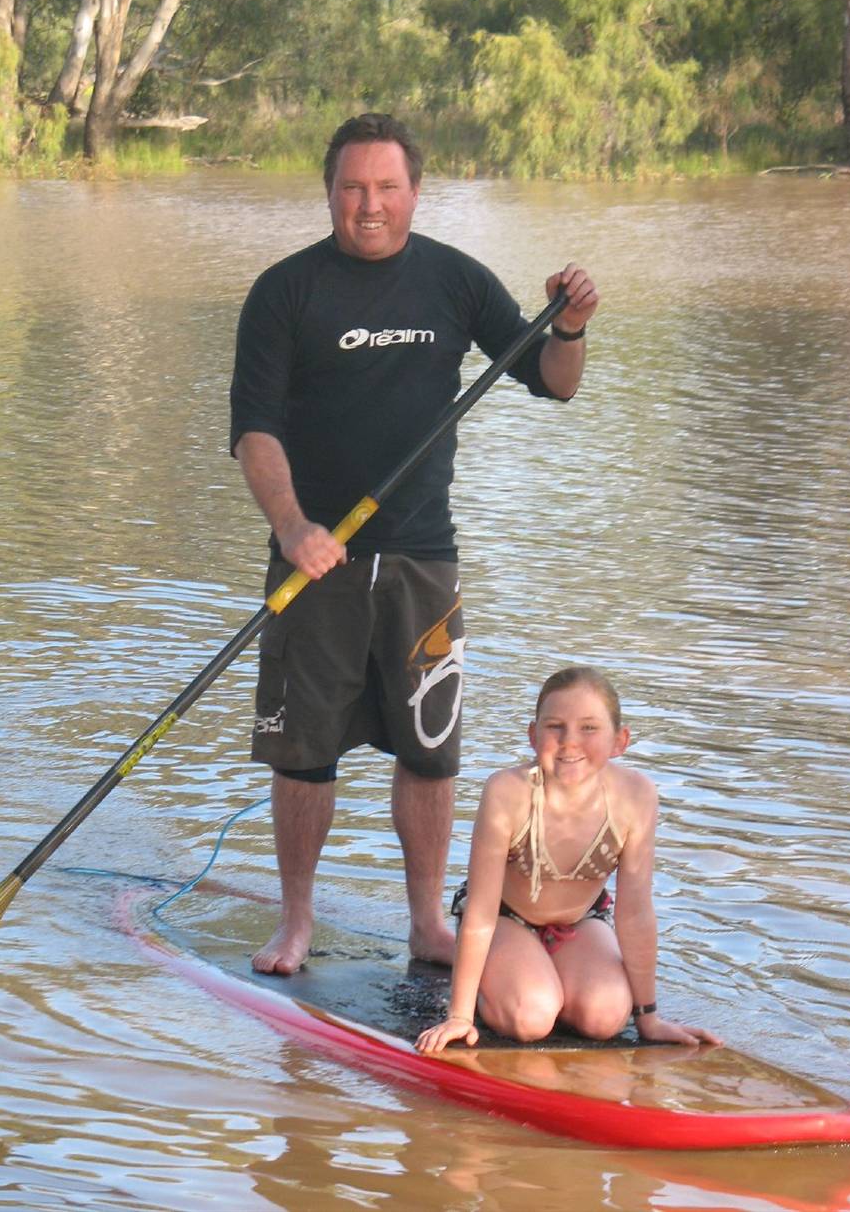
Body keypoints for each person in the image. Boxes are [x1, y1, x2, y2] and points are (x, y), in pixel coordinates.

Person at [229, 112, 599, 976]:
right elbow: (253, 431)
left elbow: (553, 381)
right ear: (328, 192)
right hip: (316, 560)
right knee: (305, 753)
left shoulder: (454, 281)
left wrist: (573, 322)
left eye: (386, 187)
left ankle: (429, 922)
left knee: (430, 754)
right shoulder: (285, 293)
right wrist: (293, 527)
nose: (369, 205)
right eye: (353, 187)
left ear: (414, 192)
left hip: (424, 557)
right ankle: (295, 922)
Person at [416, 666, 721, 1052]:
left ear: (620, 740)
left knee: (606, 1017)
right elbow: (480, 910)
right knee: (531, 1016)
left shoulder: (636, 796)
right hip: (504, 918)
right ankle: (501, 986)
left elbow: (635, 914)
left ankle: (544, 974)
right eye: (555, 726)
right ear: (532, 735)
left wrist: (648, 1017)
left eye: (589, 728)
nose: (569, 742)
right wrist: (458, 1015)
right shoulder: (507, 792)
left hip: (580, 920)